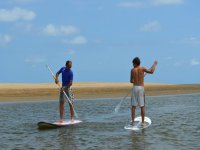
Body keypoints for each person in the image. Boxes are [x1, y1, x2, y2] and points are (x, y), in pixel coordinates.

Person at [130, 57, 158, 126]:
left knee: (133, 106)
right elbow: (151, 71)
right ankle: (142, 122)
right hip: (141, 88)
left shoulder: (132, 70)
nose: (132, 65)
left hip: (134, 88)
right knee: (142, 106)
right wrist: (155, 64)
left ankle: (133, 122)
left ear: (135, 63)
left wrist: (135, 80)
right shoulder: (142, 68)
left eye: (133, 63)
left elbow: (131, 81)